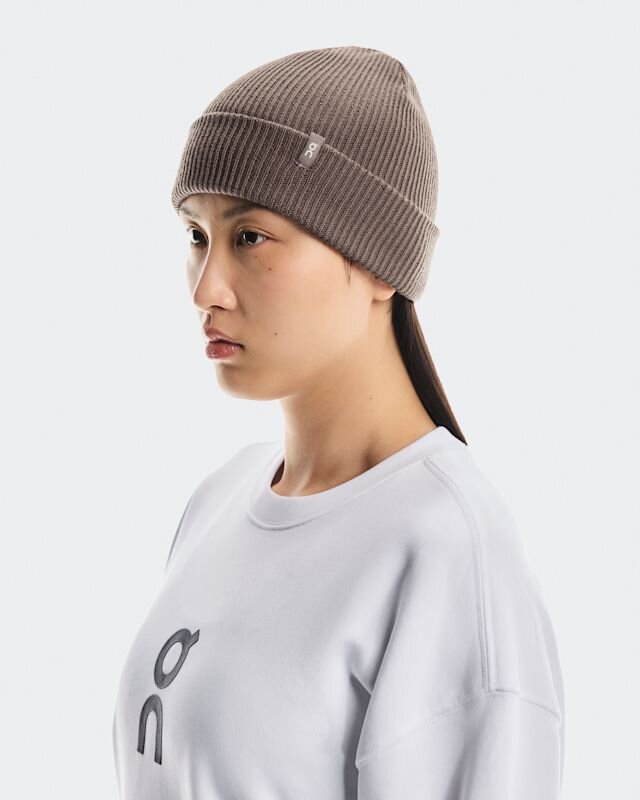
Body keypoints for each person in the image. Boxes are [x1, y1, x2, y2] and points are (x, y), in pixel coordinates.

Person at [112, 46, 565, 799]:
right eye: (195, 235)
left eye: (249, 237)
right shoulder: (220, 502)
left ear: (378, 262)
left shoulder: (449, 552)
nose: (206, 289)